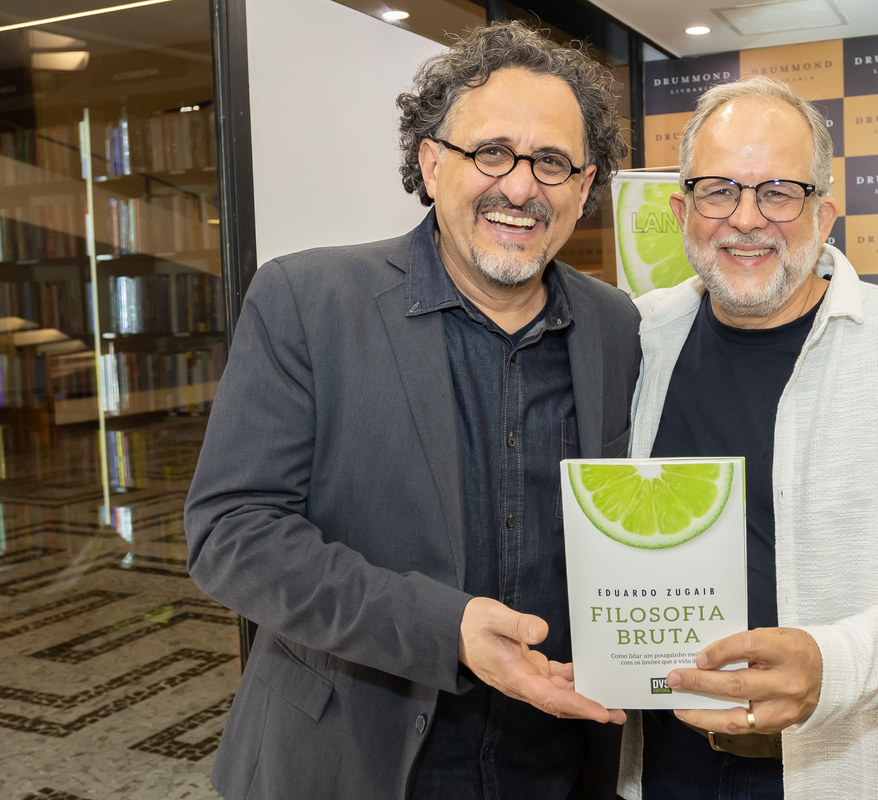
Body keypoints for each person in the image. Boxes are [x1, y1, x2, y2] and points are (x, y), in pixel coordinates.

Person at [184, 22, 639, 800]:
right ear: (431, 164)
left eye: (552, 162)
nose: (521, 188)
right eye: (491, 153)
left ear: (585, 185)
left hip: (554, 760)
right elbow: (232, 534)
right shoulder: (307, 302)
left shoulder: (617, 325)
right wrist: (445, 630)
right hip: (351, 761)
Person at [616, 76, 878, 799]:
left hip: (841, 769)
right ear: (682, 211)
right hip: (664, 764)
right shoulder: (639, 335)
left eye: (779, 192)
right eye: (718, 191)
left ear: (823, 214)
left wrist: (832, 666)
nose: (746, 219)